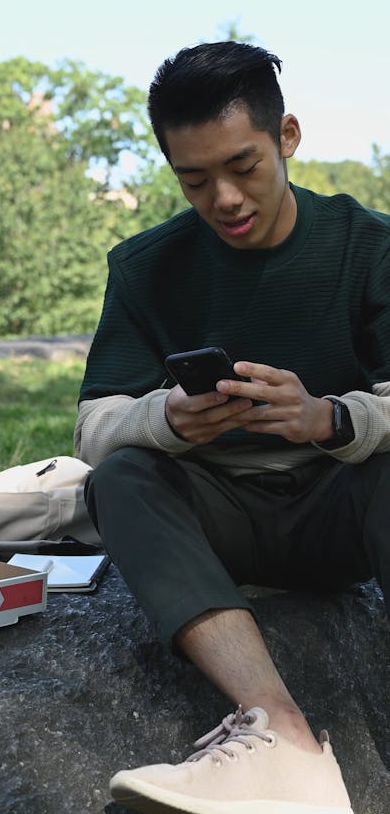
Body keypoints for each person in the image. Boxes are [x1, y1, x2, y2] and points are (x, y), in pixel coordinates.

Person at [74, 40, 390, 814]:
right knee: (120, 475)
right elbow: (94, 426)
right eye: (194, 178)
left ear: (287, 137)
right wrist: (169, 418)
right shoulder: (147, 266)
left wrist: (330, 416)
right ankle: (280, 739)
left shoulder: (369, 246)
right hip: (217, 519)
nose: (223, 197)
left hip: (340, 509)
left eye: (242, 166)